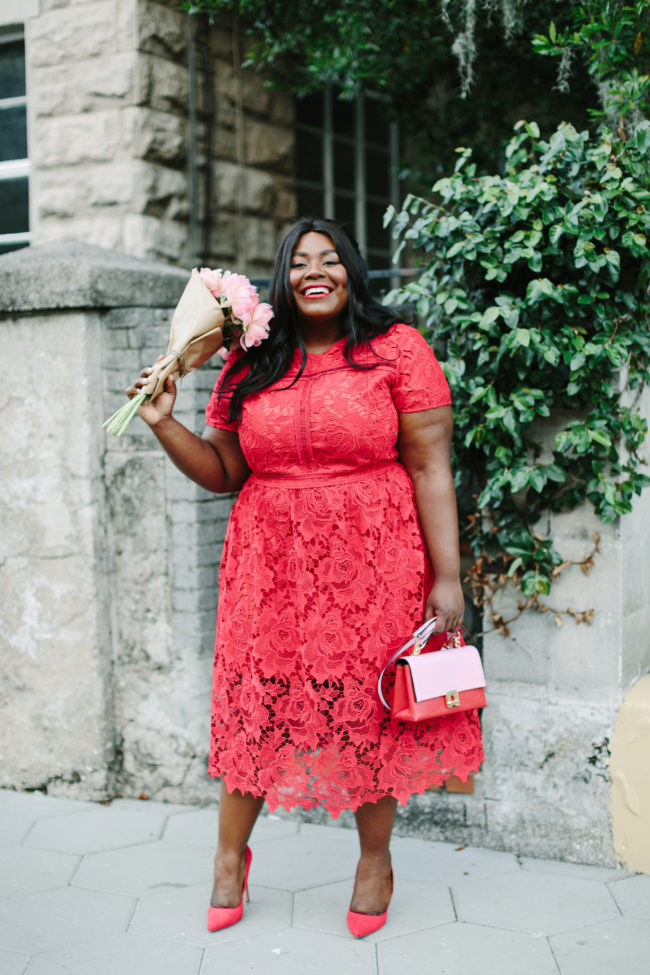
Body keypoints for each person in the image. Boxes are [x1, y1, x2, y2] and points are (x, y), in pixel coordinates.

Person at [128, 217, 484, 938]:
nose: (314, 271)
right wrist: (165, 423)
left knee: (370, 708)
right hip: (269, 567)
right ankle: (230, 858)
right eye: (298, 262)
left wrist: (447, 577)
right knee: (255, 706)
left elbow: (429, 467)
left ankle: (374, 861)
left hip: (375, 563)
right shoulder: (249, 361)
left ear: (351, 271)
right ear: (281, 281)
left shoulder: (397, 351)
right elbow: (226, 472)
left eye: (329, 259)